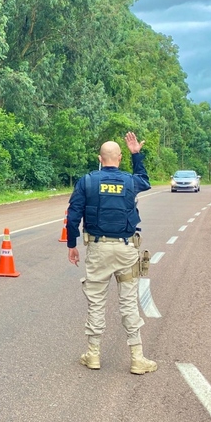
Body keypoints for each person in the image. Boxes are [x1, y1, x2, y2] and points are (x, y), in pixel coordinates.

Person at [66, 132, 158, 375]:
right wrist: (136, 153)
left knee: (96, 302)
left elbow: (74, 214)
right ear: (119, 158)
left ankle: (93, 354)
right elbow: (145, 180)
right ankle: (137, 358)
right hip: (126, 249)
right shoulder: (130, 181)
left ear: (100, 158)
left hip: (97, 249)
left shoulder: (86, 181)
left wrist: (72, 245)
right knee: (128, 302)